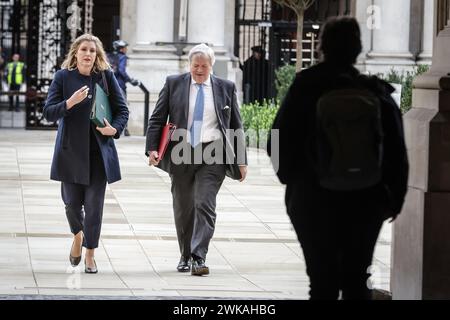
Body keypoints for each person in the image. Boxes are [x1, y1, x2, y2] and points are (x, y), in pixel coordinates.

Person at [268, 17, 409, 299]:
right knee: (357, 279)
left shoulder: (305, 88)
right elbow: (396, 150)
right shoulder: (375, 92)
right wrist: (394, 199)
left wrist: (293, 180)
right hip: (366, 198)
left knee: (322, 281)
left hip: (313, 197)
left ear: (322, 48)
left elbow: (277, 138)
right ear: (357, 49)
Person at [145, 43, 248, 276]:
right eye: (195, 65)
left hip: (213, 154)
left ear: (212, 66)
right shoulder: (174, 84)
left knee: (204, 204)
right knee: (184, 207)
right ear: (189, 65)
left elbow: (236, 126)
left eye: (204, 66)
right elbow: (157, 118)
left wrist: (241, 161)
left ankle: (198, 257)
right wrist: (152, 148)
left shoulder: (225, 88)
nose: (199, 70)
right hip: (181, 152)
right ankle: (184, 255)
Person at [43, 34, 129, 274]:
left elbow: (122, 111)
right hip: (70, 153)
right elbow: (48, 113)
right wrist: (69, 103)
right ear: (76, 53)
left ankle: (90, 254)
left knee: (94, 208)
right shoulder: (63, 77)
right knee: (71, 205)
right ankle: (78, 236)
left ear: (97, 55)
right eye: (84, 49)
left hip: (98, 155)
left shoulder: (105, 77)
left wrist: (114, 129)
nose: (88, 54)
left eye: (92, 50)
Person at [108, 40, 140, 136]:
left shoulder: (110, 56)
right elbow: (122, 71)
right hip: (120, 85)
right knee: (123, 107)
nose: (126, 49)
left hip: (110, 84)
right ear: (121, 49)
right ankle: (123, 130)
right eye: (125, 47)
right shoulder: (123, 57)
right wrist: (131, 80)